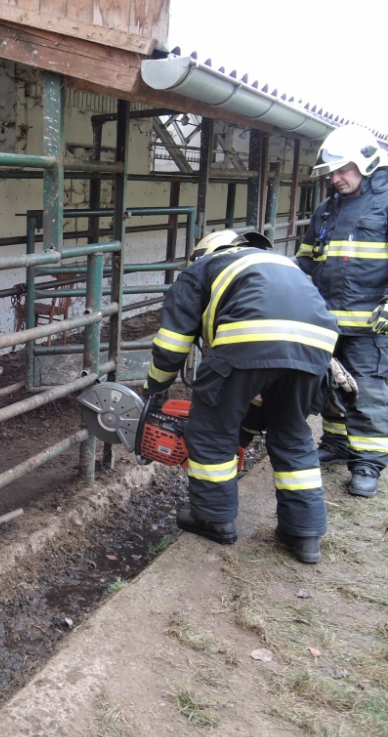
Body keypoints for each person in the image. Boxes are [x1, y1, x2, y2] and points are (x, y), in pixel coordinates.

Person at [144, 229, 339, 564]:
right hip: (316, 347)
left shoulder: (201, 270)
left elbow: (173, 344)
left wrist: (155, 387)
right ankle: (304, 533)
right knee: (292, 433)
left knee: (212, 430)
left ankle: (213, 517)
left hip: (247, 337)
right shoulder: (281, 263)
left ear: (205, 252)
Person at [296, 124, 388, 498]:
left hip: (369, 324)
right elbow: (305, 259)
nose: (336, 178)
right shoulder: (326, 209)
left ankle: (367, 462)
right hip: (327, 320)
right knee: (329, 385)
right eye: (332, 172)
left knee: (366, 390)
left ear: (366, 164)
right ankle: (336, 443)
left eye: (343, 170)